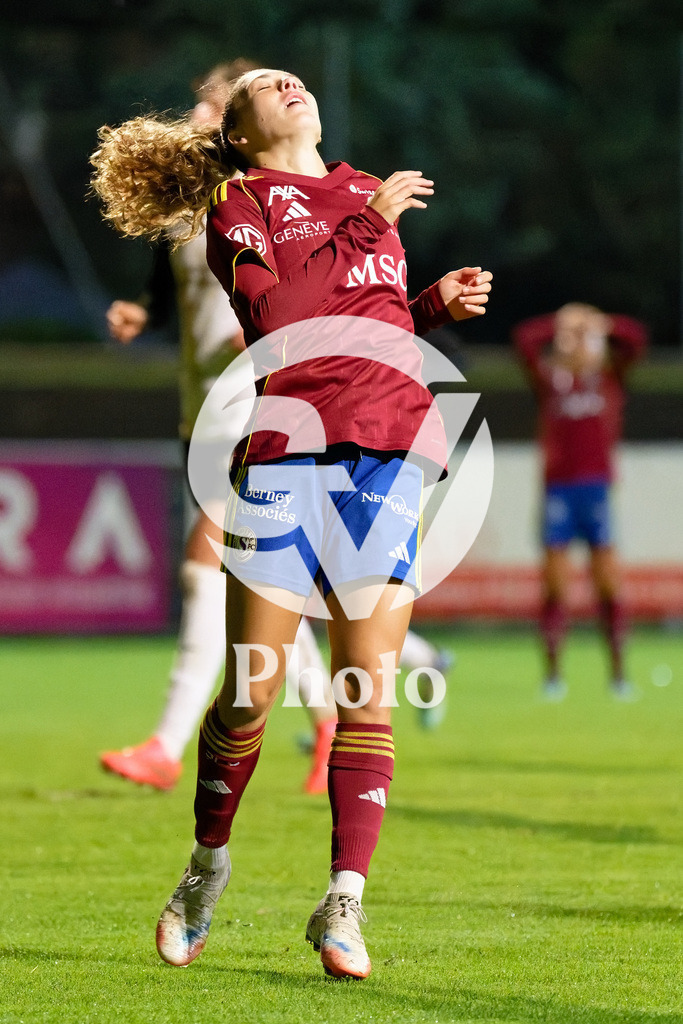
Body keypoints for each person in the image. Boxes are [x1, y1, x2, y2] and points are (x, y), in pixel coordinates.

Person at [90, 67, 492, 980]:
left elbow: (375, 322)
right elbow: (284, 320)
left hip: (391, 450)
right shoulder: (240, 206)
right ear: (237, 132)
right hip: (284, 455)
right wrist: (374, 227)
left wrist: (431, 304)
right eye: (264, 87)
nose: (285, 83)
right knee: (251, 695)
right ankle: (206, 865)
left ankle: (344, 902)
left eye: (292, 79)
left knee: (365, 692)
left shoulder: (360, 187)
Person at [98, 60, 338, 797]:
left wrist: (270, 326)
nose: (197, 110)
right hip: (202, 405)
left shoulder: (267, 194)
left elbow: (299, 279)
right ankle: (332, 715)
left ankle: (168, 745)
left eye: (212, 100)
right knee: (260, 579)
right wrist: (146, 308)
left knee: (207, 567)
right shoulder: (200, 202)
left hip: (252, 398)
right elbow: (185, 279)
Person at [513, 302, 648, 701]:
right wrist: (561, 322)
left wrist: (602, 323)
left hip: (597, 491)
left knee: (608, 586)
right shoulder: (549, 379)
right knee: (555, 588)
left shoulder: (608, 377)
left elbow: (637, 340)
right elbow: (524, 340)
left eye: (584, 338)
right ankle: (553, 675)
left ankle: (619, 675)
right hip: (559, 492)